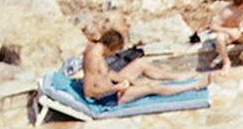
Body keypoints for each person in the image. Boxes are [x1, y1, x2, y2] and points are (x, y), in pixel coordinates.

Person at [81, 20, 210, 105]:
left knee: (140, 63)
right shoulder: (93, 58)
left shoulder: (96, 51)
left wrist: (127, 80)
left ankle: (176, 77)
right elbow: (89, 91)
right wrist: (116, 88)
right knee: (153, 87)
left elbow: (107, 73)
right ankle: (194, 86)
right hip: (109, 97)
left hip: (113, 87)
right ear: (111, 48)